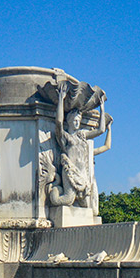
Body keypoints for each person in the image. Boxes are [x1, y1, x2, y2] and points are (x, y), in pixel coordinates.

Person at [47, 80, 110, 208]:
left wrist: (102, 110)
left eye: (78, 120)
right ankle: (55, 189)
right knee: (68, 199)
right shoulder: (66, 138)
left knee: (86, 205)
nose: (76, 122)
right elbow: (58, 123)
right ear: (69, 121)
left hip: (83, 174)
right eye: (74, 120)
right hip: (70, 172)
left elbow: (100, 130)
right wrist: (60, 100)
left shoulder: (82, 136)